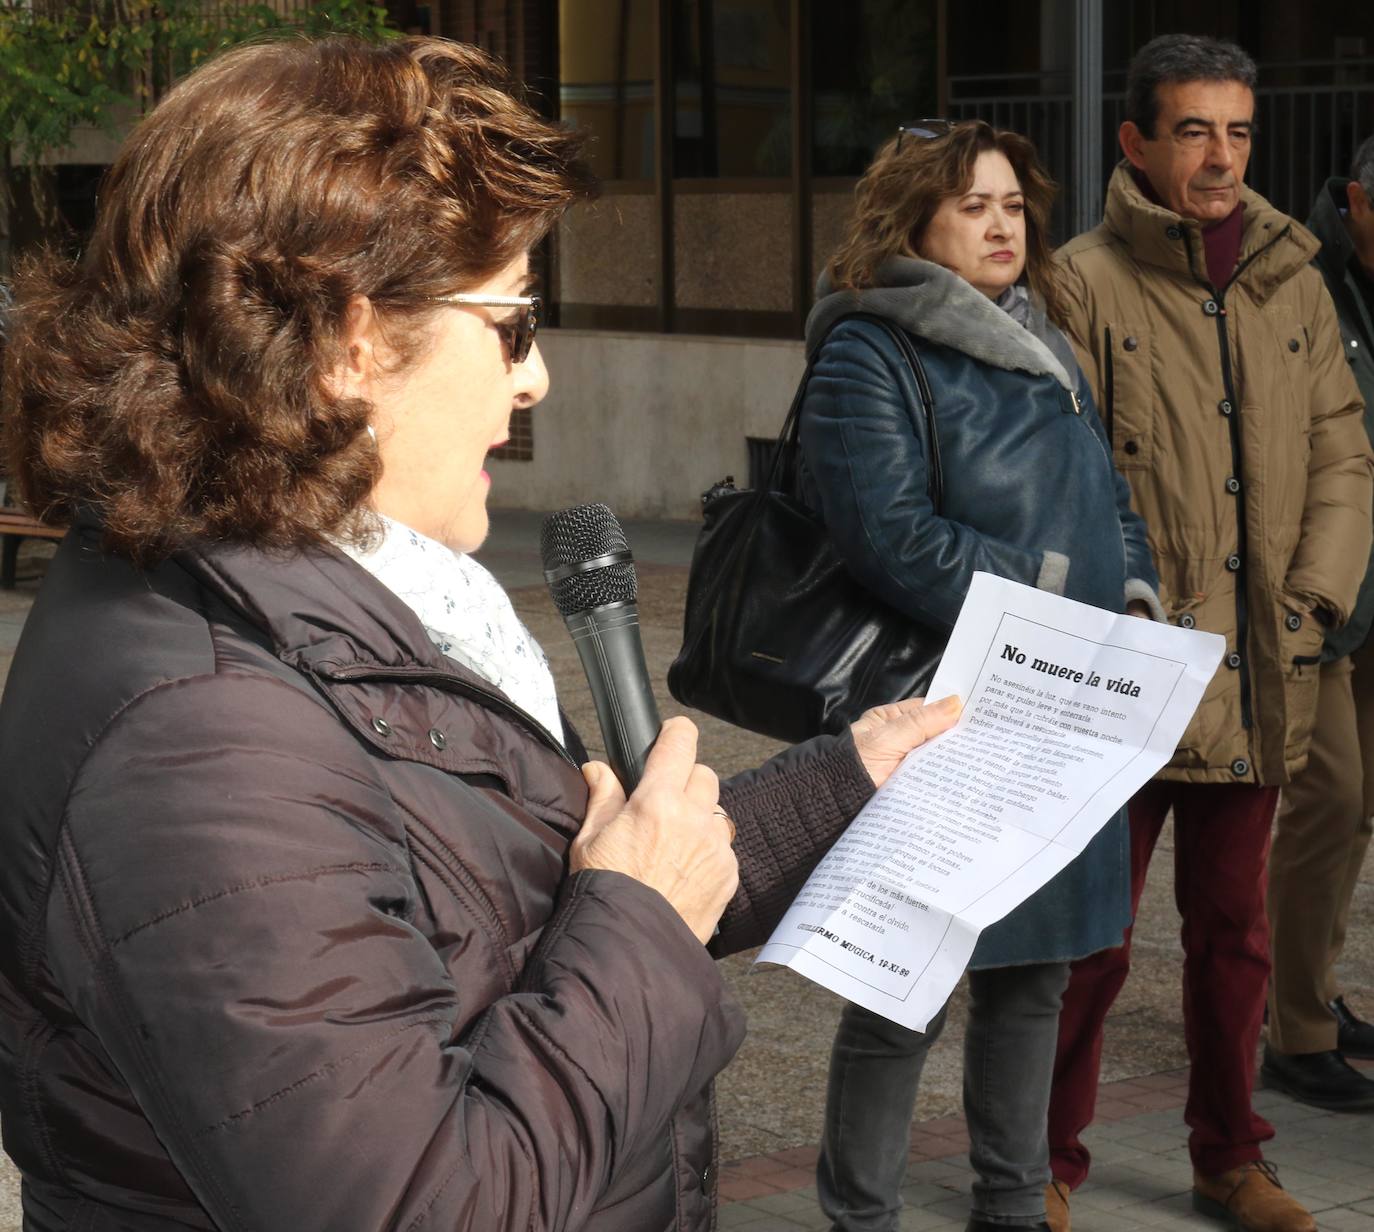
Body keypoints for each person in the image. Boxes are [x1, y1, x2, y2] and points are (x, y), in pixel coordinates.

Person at [0, 37, 963, 1232]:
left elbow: (535, 901)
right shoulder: (201, 738)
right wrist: (647, 914)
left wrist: (850, 779)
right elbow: (425, 1201)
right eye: (514, 322)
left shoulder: (321, 590)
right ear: (351, 340)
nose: (538, 377)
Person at [796, 119, 1162, 1232]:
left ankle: (1011, 1208)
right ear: (914, 221)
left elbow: (1112, 500)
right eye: (974, 206)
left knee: (1033, 975)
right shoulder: (871, 346)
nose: (1003, 225)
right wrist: (1054, 590)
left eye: (1014, 205)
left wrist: (1133, 596)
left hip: (1058, 705)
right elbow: (888, 535)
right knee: (901, 989)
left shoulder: (1041, 336)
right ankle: (859, 1215)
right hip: (939, 712)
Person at [1045, 34, 1373, 1232]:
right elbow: (1061, 474)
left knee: (1235, 938)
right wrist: (1126, 616)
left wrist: (1312, 604)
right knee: (1092, 941)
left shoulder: (1296, 279)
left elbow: (1344, 450)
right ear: (1135, 143)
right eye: (1193, 130)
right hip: (1130, 674)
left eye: (1237, 131)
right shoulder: (1076, 281)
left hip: (1261, 668)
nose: (1220, 156)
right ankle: (1048, 1160)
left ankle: (1230, 1157)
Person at [1262, 134, 1374, 1110]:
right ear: (1358, 202)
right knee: (1327, 801)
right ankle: (1293, 1033)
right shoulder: (1302, 280)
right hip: (1326, 595)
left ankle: (1320, 995)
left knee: (1358, 806)